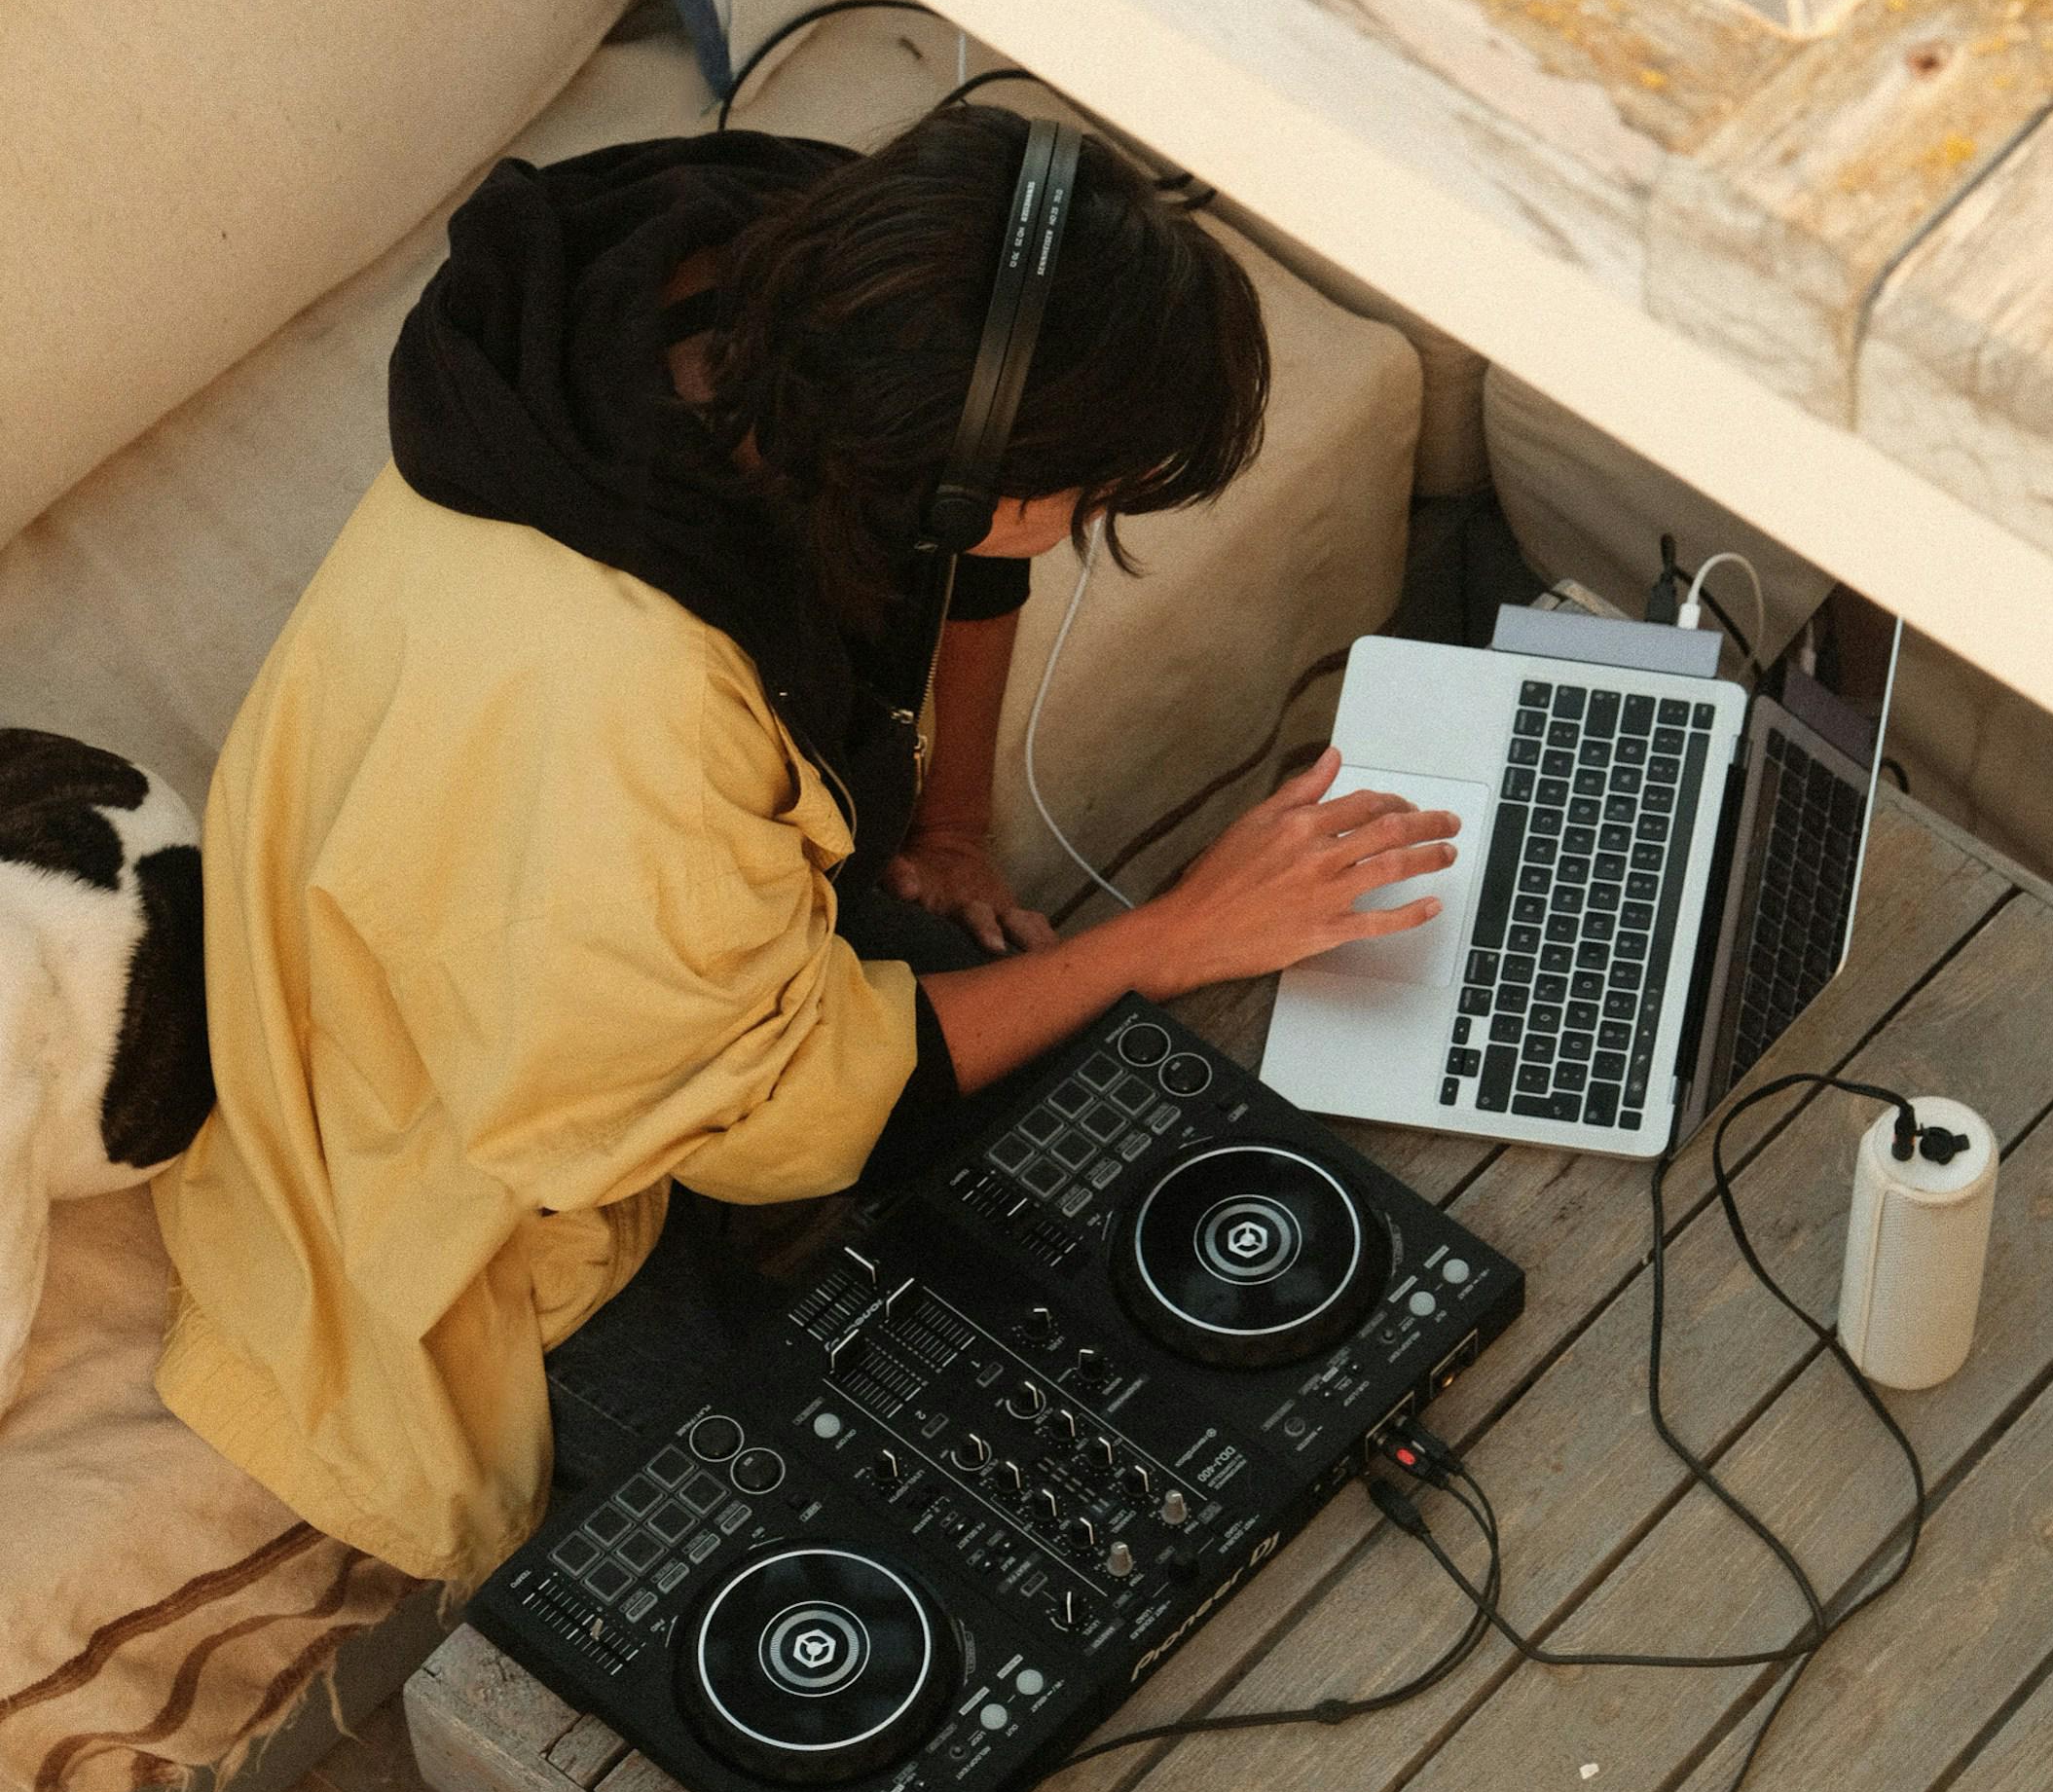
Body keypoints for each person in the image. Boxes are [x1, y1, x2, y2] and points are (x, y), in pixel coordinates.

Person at [152, 106, 1458, 1590]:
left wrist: (953, 827)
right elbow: (771, 1120)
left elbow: (958, 556)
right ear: (964, 480)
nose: (1079, 529)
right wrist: (1172, 937)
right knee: (874, 1538)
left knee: (1122, 1141)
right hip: (454, 1150)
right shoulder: (632, 706)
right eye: (1085, 500)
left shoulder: (798, 269)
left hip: (618, 912)